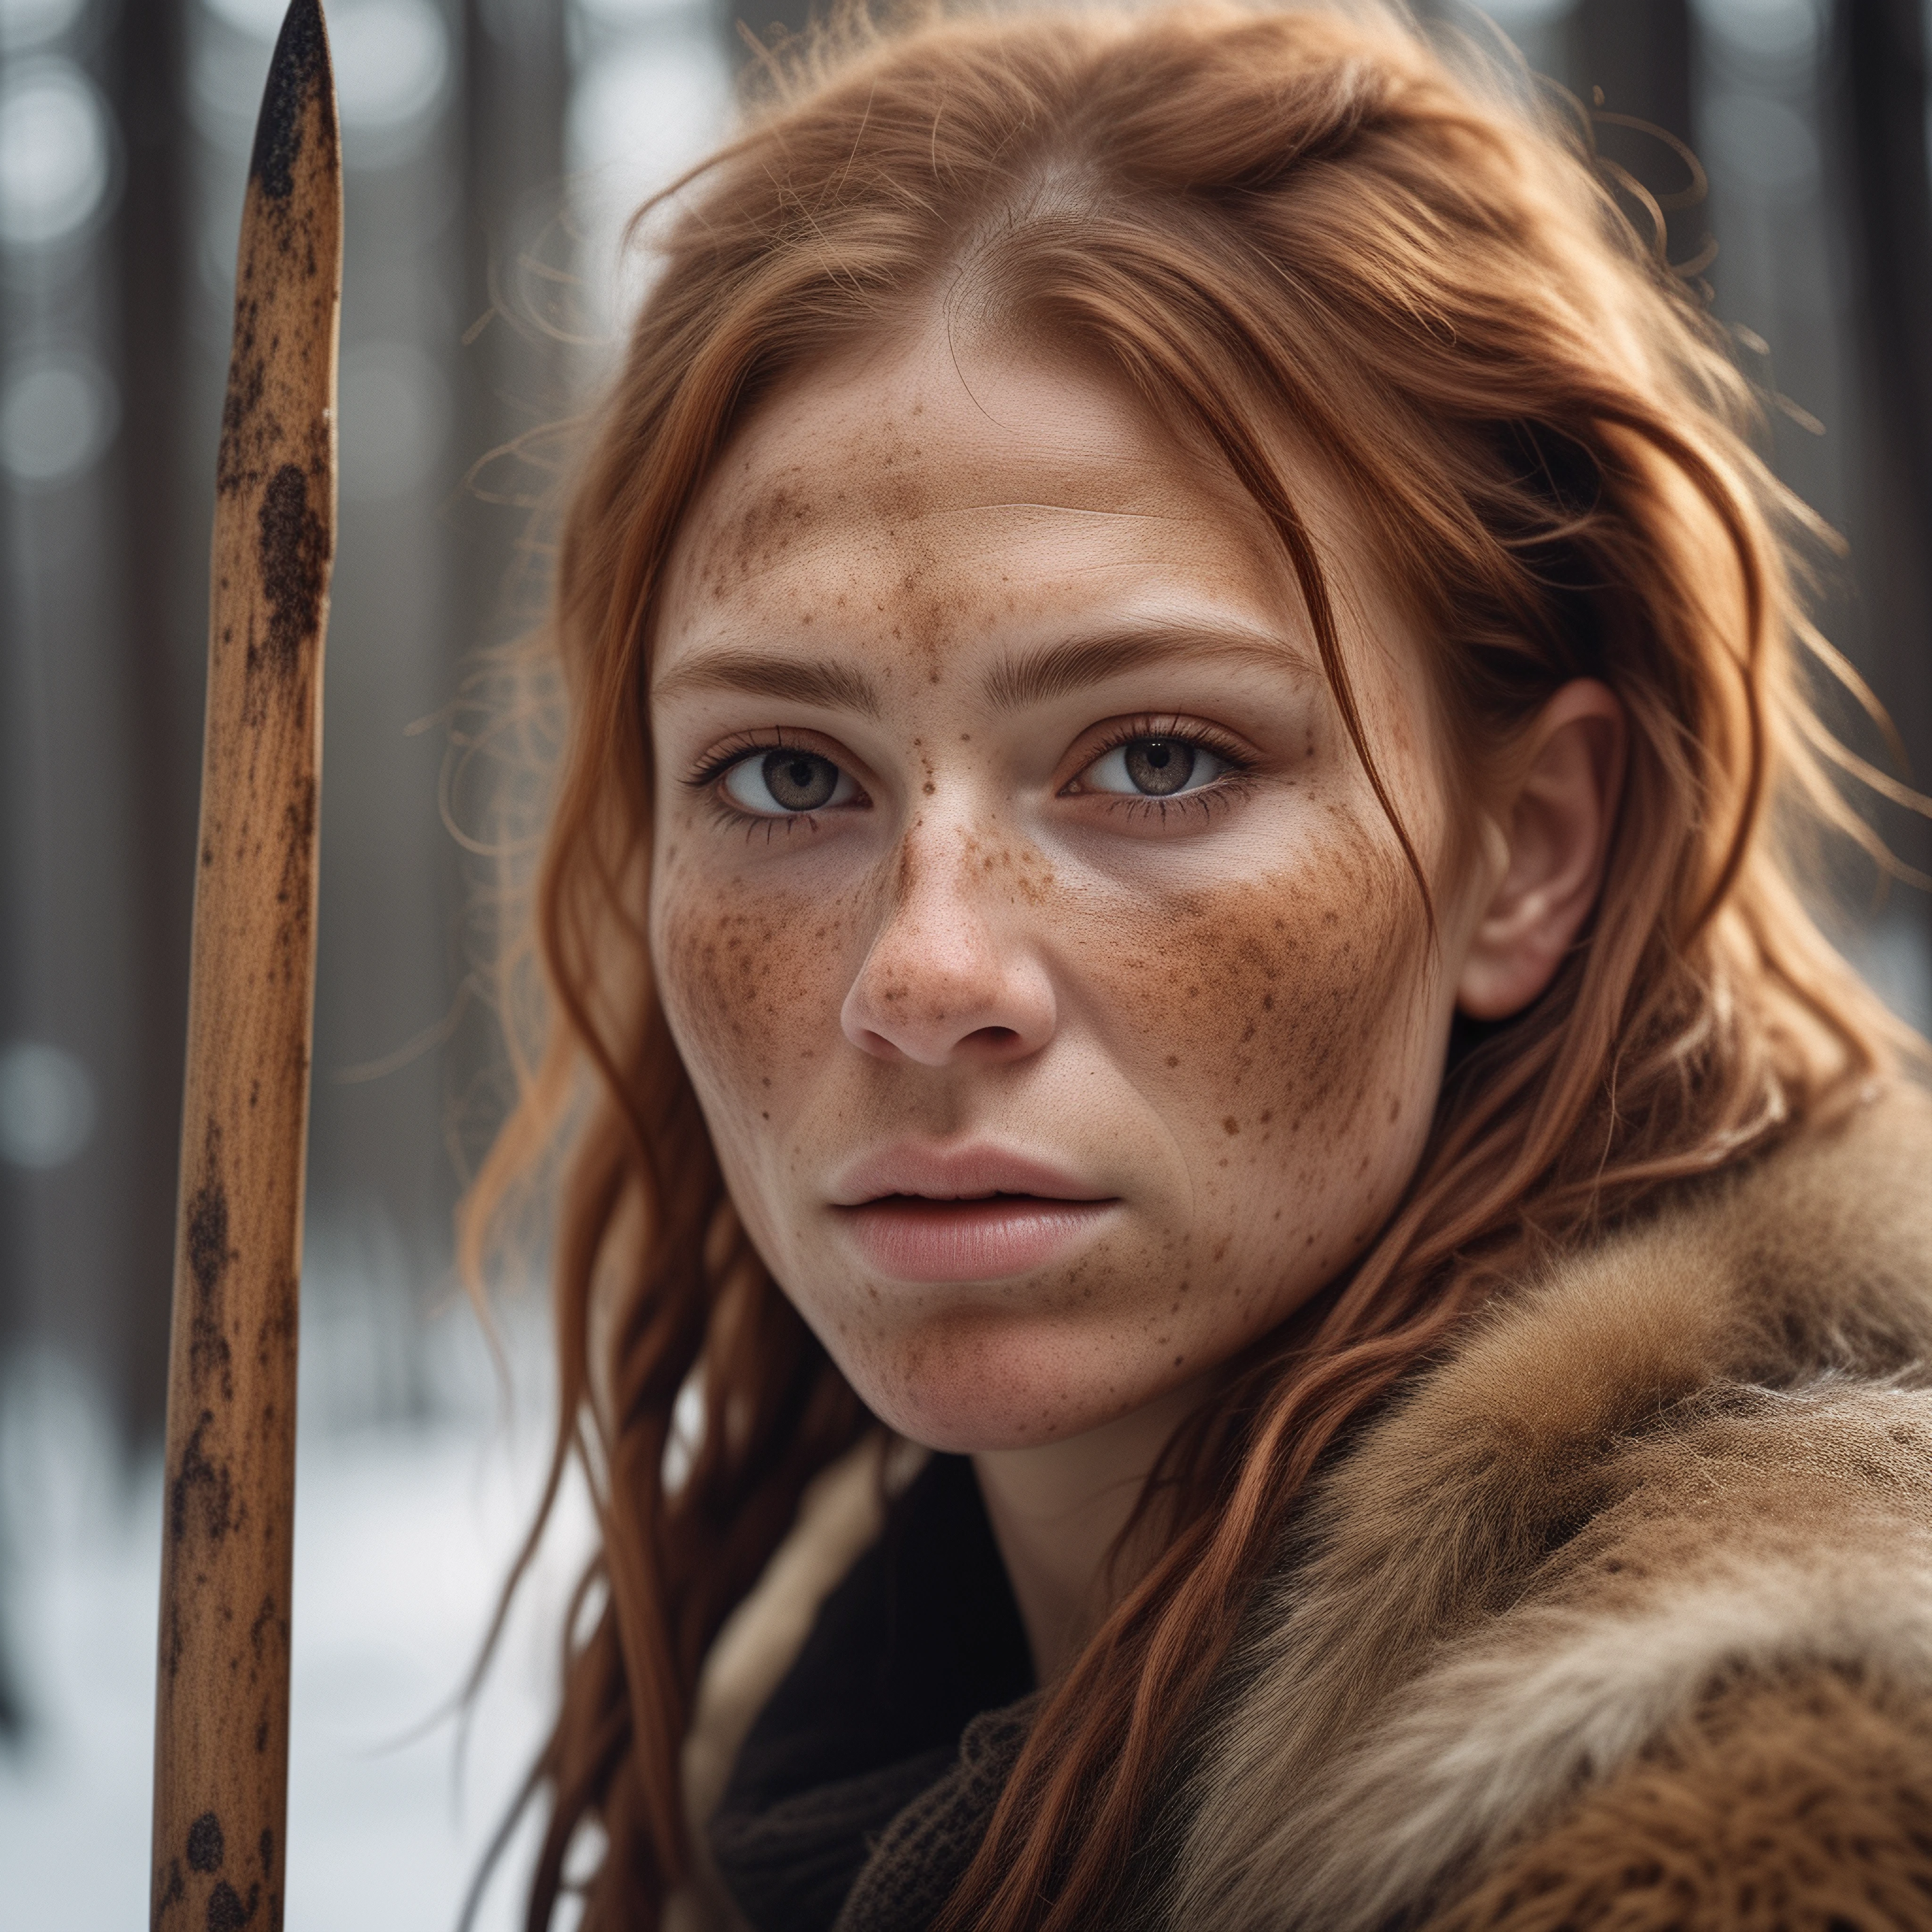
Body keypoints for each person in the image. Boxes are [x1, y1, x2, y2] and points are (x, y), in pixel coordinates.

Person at [461, 4, 1932, 1927]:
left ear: (1530, 852)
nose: (925, 968)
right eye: (785, 772)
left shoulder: (1792, 1808)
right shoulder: (811, 1760)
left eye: (1160, 758)